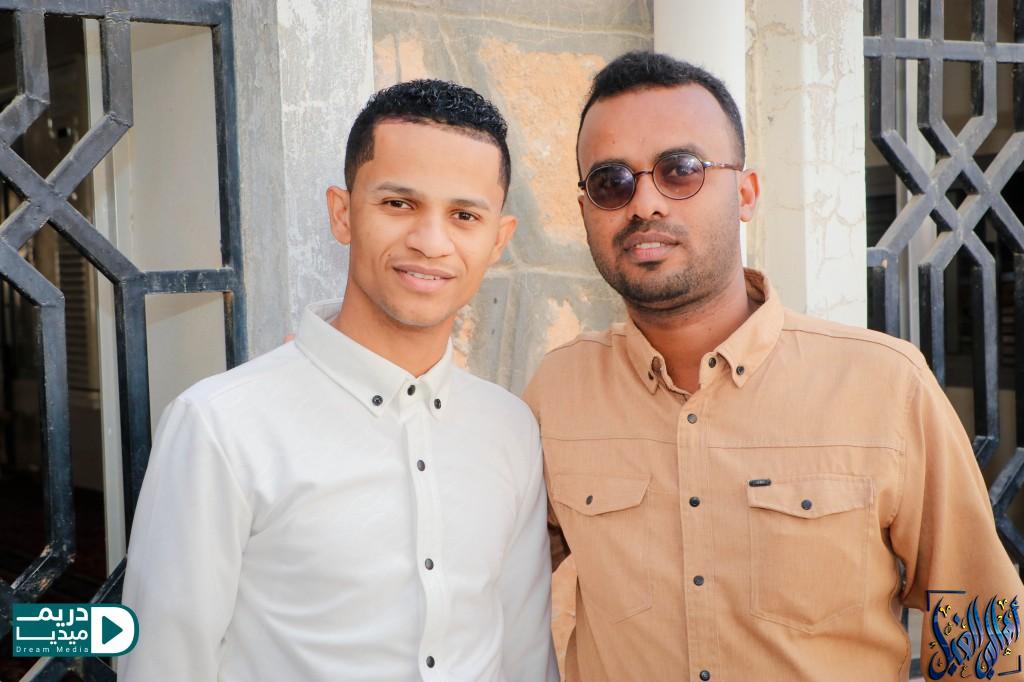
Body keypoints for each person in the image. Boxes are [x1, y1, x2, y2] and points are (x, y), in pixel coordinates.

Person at [524, 51, 1024, 681]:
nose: (644, 202)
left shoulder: (884, 386)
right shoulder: (558, 394)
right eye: (611, 182)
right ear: (585, 211)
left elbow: (980, 619)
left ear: (746, 194)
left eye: (681, 170)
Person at [121, 79, 558, 681]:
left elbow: (525, 657)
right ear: (343, 213)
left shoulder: (510, 429)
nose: (431, 242)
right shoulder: (220, 426)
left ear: (498, 239)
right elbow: (164, 664)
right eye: (398, 204)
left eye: (464, 215)